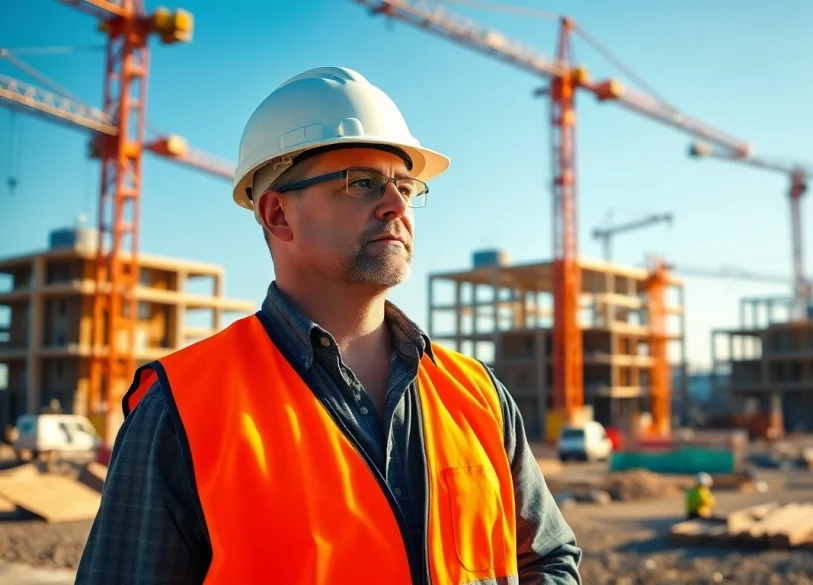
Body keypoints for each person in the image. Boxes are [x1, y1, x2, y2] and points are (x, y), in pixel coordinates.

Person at [76, 67, 582, 585]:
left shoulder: (477, 394)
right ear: (277, 215)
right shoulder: (182, 407)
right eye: (362, 183)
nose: (397, 205)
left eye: (405, 185)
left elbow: (547, 556)